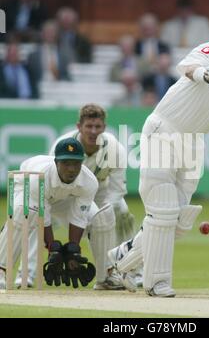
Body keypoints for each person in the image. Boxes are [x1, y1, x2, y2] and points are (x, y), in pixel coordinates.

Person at [108, 33, 209, 297]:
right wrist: (206, 74)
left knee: (180, 221)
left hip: (194, 143)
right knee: (163, 210)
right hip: (165, 128)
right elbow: (186, 67)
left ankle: (121, 259)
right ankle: (156, 282)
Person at [14, 104, 137, 290]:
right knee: (35, 215)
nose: (93, 131)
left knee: (118, 212)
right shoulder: (63, 143)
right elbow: (48, 181)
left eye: (98, 127)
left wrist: (98, 215)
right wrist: (54, 247)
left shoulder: (114, 149)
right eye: (89, 126)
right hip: (63, 193)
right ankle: (27, 274)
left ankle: (122, 272)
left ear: (104, 127)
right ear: (79, 126)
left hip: (99, 192)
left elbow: (117, 190)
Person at [0, 137, 99, 289]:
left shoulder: (89, 181)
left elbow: (79, 216)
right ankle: (2, 270)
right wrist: (53, 249)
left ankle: (108, 276)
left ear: (82, 162)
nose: (71, 169)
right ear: (56, 162)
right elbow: (43, 218)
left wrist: (72, 251)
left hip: (64, 197)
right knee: (24, 213)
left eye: (76, 163)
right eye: (66, 163)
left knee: (99, 218)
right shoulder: (38, 178)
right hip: (26, 183)